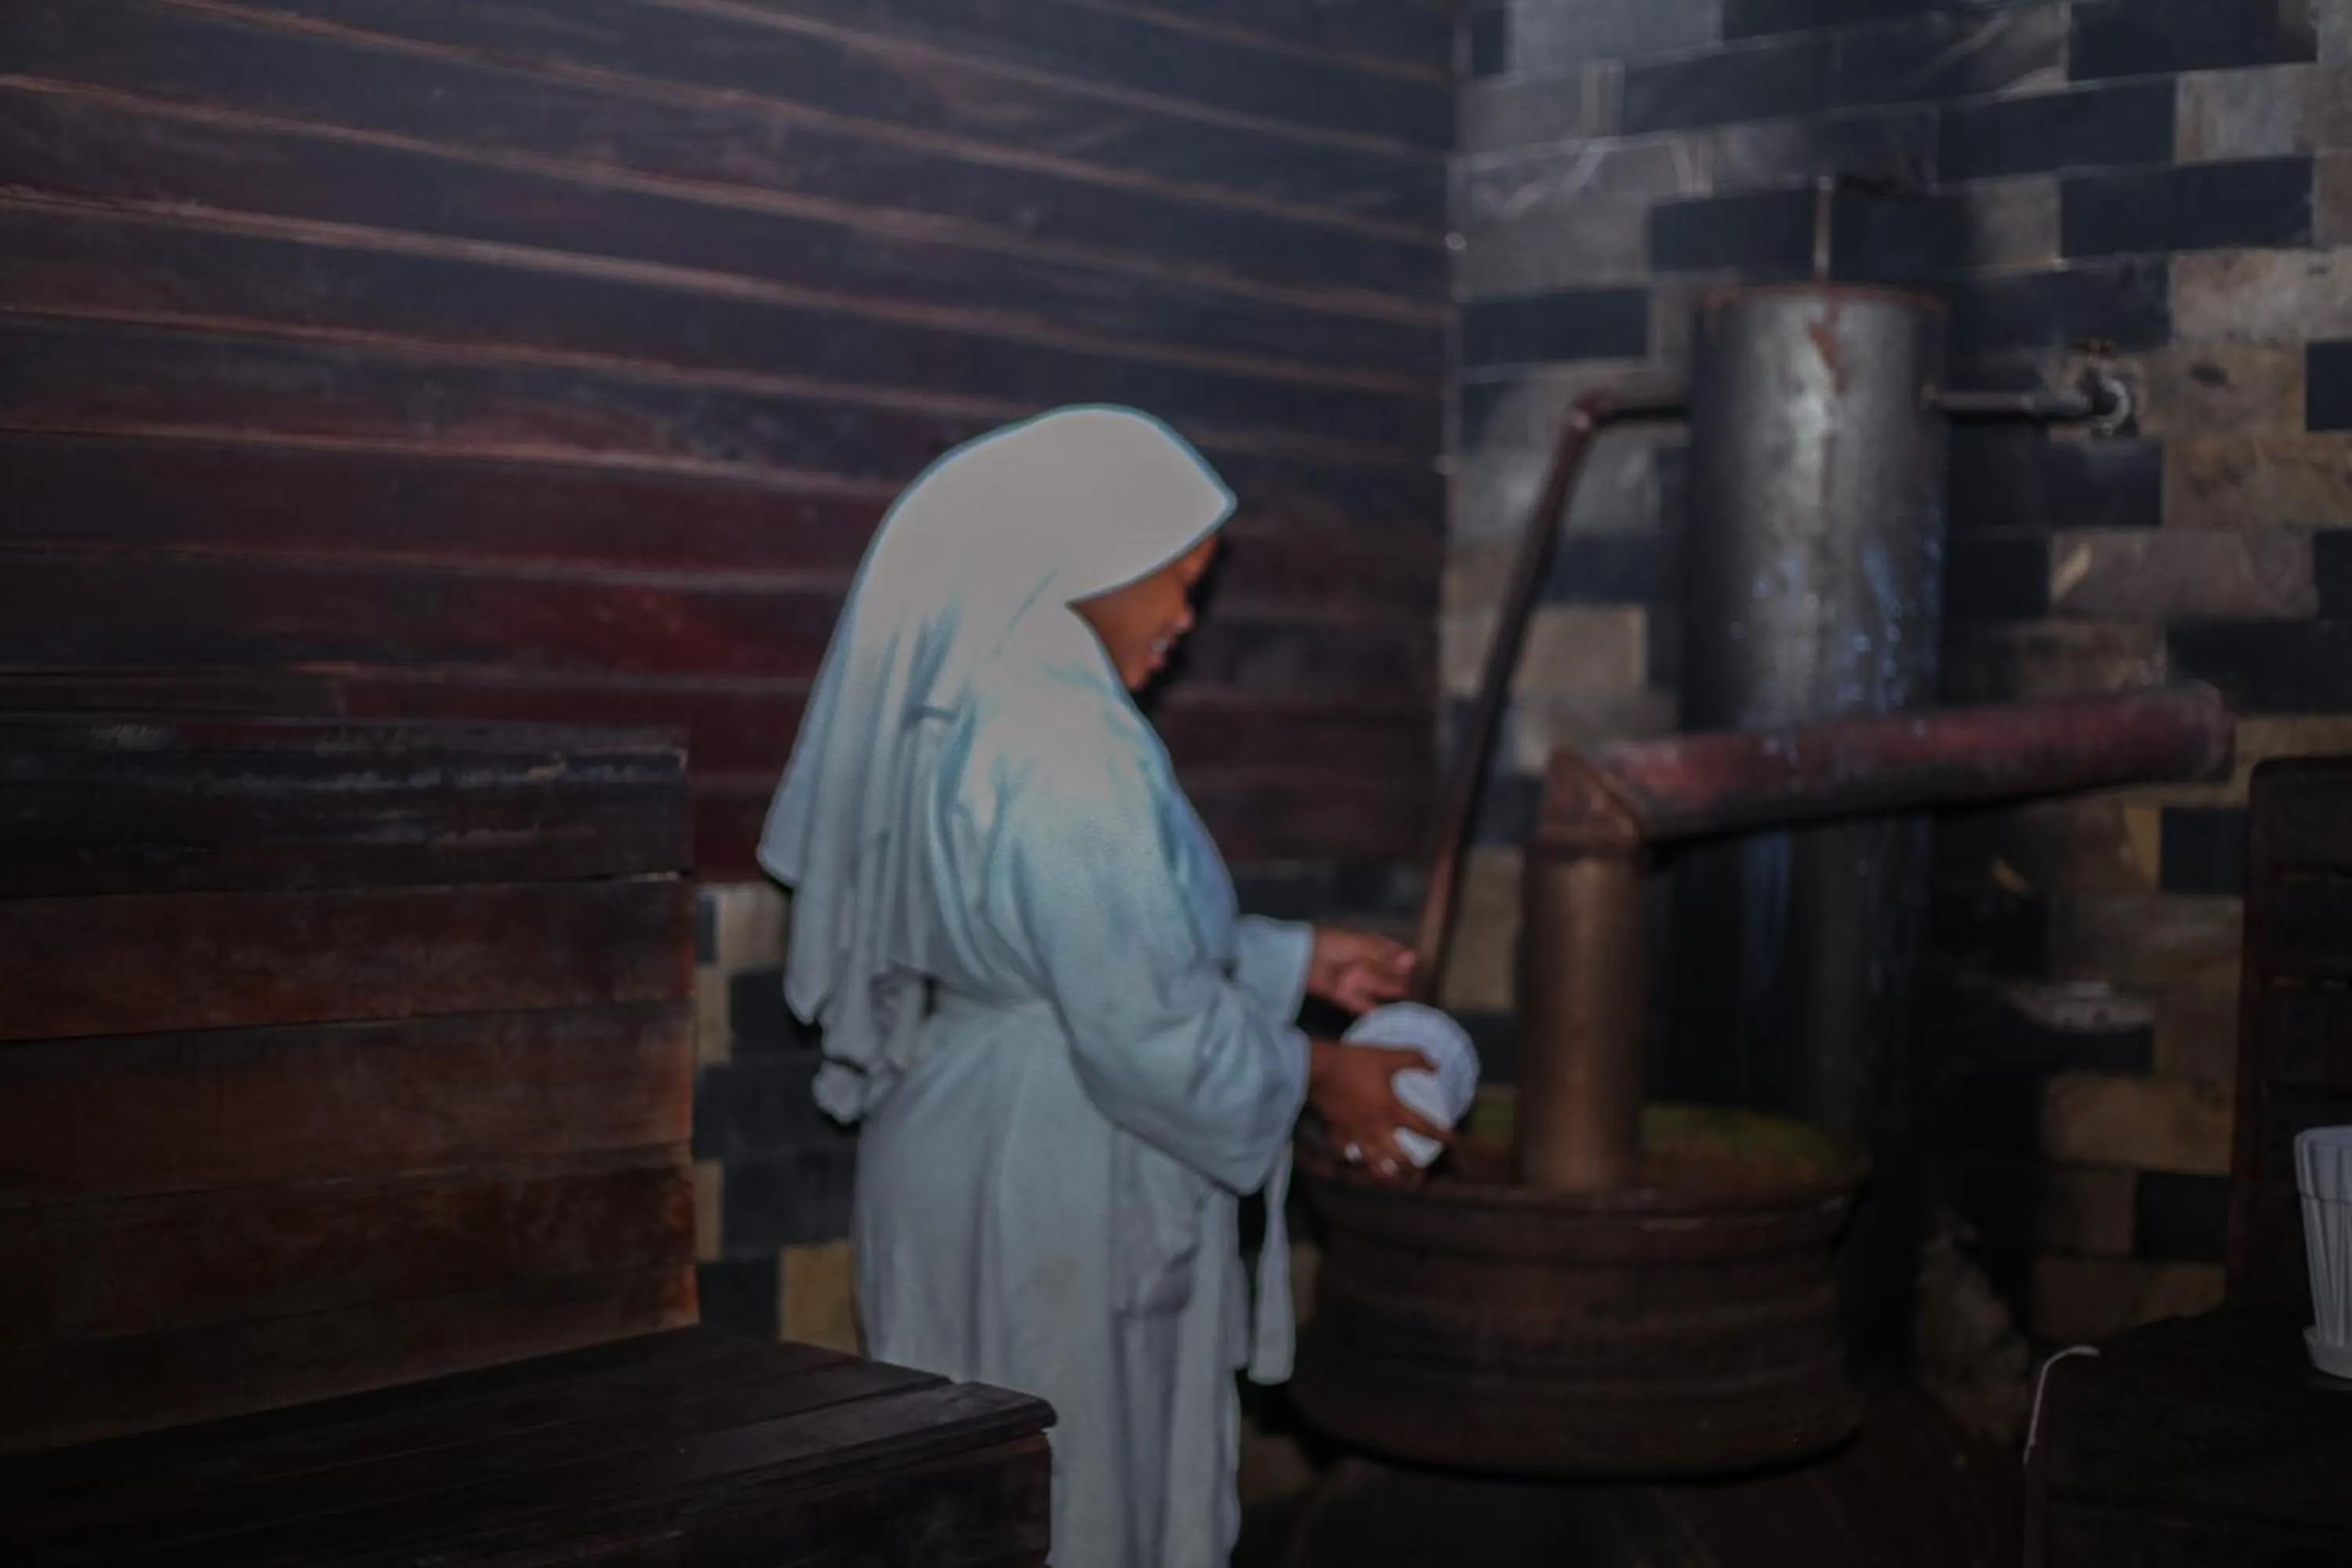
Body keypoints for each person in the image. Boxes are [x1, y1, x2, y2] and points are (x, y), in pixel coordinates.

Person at [757, 405, 1446, 1566]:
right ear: (1089, 563)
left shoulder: (982, 697)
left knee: (993, 1505)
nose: (1187, 618)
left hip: (979, 1133)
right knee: (1075, 1507)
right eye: (1174, 582)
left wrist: (1287, 961)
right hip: (1050, 1182)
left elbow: (1054, 940)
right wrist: (1327, 1077)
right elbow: (1141, 1027)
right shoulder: (1066, 742)